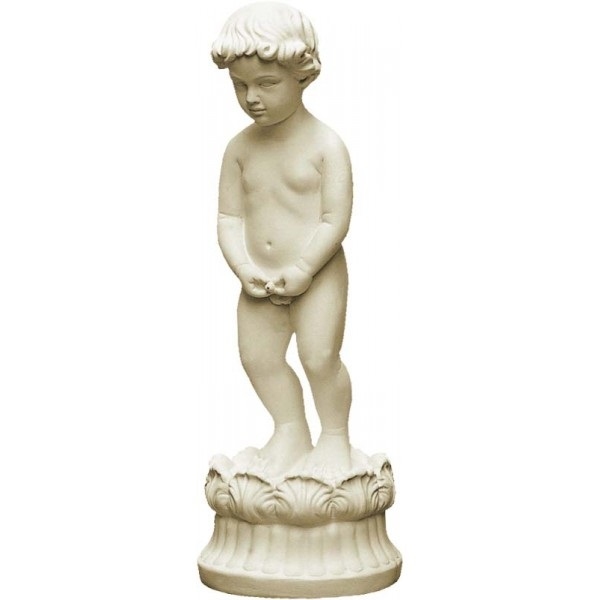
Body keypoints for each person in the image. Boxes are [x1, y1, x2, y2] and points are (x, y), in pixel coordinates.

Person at [212, 2, 353, 477]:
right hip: (259, 280)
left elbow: (334, 219)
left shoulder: (325, 145)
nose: (251, 98)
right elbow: (229, 217)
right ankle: (290, 429)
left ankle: (334, 436)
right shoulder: (239, 149)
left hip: (317, 274)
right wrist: (243, 267)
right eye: (240, 85)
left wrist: (304, 268)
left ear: (302, 75)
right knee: (257, 358)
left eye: (266, 84)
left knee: (319, 357)